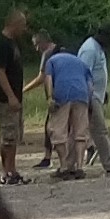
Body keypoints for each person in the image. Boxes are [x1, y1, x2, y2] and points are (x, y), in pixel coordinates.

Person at [77, 25, 110, 175]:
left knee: (97, 131)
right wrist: (88, 98)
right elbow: (84, 74)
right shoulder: (90, 50)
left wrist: (102, 91)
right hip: (90, 96)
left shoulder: (97, 48)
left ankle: (107, 161)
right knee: (100, 131)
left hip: (96, 95)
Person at [0, 10, 29, 186]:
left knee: (15, 136)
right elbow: (0, 72)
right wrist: (11, 97)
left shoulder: (13, 43)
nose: (24, 28)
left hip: (15, 99)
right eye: (23, 24)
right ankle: (6, 172)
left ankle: (12, 169)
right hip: (5, 99)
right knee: (8, 137)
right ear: (13, 24)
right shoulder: (2, 45)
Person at [44, 50, 93, 181]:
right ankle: (80, 167)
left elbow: (48, 78)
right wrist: (88, 101)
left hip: (62, 94)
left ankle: (64, 166)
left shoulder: (51, 61)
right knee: (80, 133)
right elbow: (89, 84)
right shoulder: (81, 62)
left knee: (59, 130)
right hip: (82, 94)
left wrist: (49, 97)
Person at [23, 31, 62, 170]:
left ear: (43, 42)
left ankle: (48, 157)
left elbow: (42, 77)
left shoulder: (47, 54)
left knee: (49, 127)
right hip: (68, 92)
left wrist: (24, 90)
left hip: (56, 95)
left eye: (37, 45)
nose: (36, 49)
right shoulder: (61, 50)